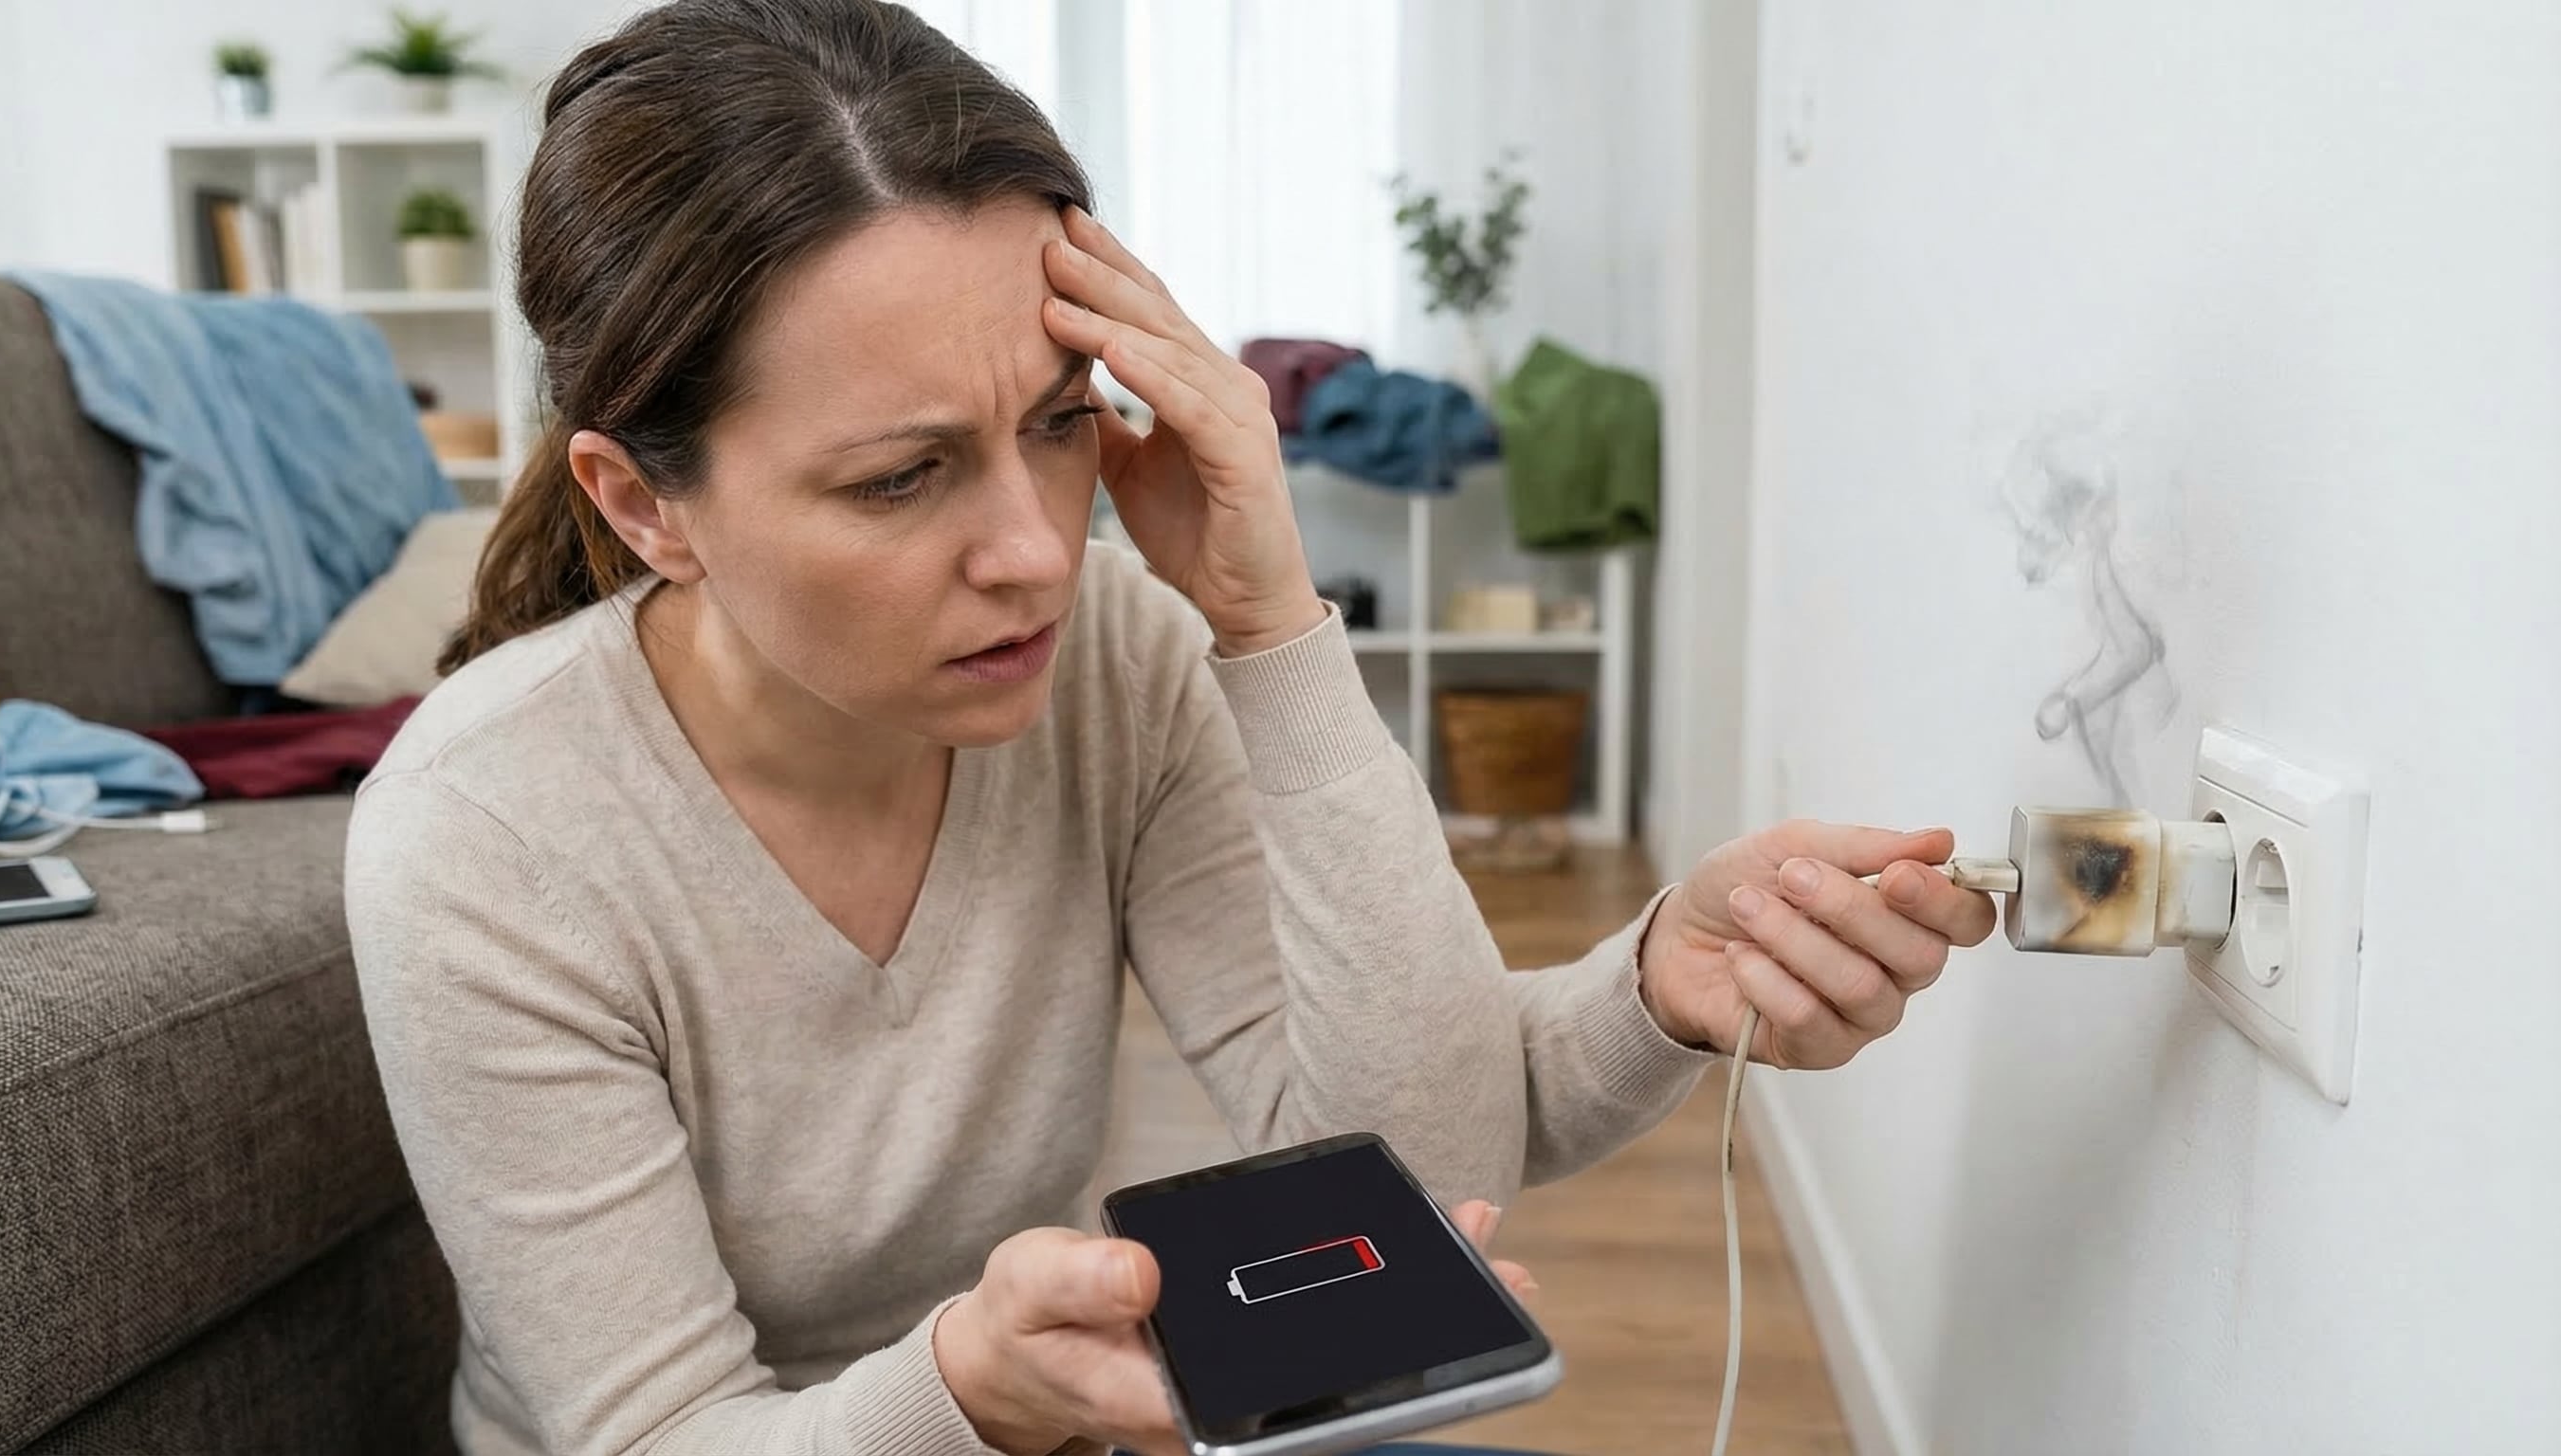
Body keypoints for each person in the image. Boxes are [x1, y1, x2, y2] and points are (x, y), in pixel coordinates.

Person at [342, 1, 1998, 1453]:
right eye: (902, 478)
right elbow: (658, 1434)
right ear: (645, 503)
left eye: (1061, 422)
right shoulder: (489, 834)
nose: (1035, 550)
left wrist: (1277, 633)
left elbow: (1416, 1177)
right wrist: (975, 1394)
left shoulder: (1114, 661)